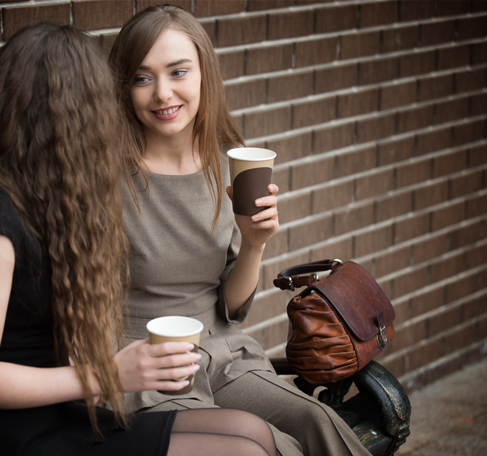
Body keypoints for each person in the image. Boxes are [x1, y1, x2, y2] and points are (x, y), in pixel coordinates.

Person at [0, 23, 277, 456]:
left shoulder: (47, 199)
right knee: (243, 452)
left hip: (67, 412)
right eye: (98, 106)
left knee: (253, 433)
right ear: (63, 116)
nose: (108, 123)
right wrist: (108, 374)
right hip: (12, 435)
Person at [108, 6, 371, 456]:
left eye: (178, 71)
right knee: (276, 447)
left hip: (224, 355)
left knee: (318, 422)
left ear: (203, 74)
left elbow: (230, 309)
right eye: (142, 77)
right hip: (152, 367)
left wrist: (254, 244)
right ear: (123, 86)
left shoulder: (226, 161)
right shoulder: (105, 174)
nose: (163, 93)